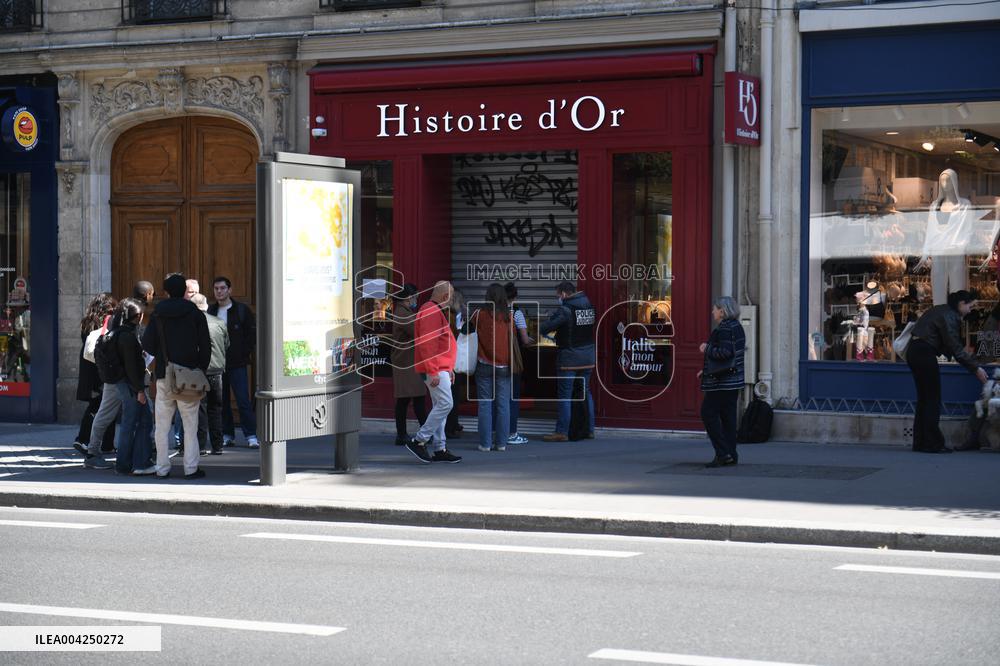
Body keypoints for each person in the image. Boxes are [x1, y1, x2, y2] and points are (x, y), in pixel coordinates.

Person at [142, 273, 212, 479]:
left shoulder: (157, 314)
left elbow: (148, 345)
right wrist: (200, 369)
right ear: (184, 291)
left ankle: (162, 468)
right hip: (189, 376)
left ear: (165, 292)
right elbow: (206, 346)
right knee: (190, 426)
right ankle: (191, 468)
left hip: (164, 374)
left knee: (162, 426)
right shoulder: (195, 314)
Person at [906, 290, 987, 453]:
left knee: (924, 398)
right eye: (970, 306)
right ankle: (932, 443)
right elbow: (955, 347)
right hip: (924, 353)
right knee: (932, 398)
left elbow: (949, 345)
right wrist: (976, 368)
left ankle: (921, 442)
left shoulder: (941, 309)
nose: (970, 310)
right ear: (961, 304)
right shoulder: (950, 316)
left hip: (915, 351)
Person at [406, 280, 462, 464]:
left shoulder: (431, 310)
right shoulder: (432, 311)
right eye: (451, 296)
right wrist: (435, 370)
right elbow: (427, 345)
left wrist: (448, 368)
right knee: (446, 404)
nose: (452, 299)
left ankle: (440, 448)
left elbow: (436, 345)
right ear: (446, 296)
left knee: (441, 406)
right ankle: (420, 440)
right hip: (435, 368)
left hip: (439, 367)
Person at [539, 281, 596, 442]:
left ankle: (562, 431)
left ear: (564, 293)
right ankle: (590, 429)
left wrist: (547, 321)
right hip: (588, 356)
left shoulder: (565, 309)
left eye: (558, 295)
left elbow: (545, 328)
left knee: (565, 395)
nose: (558, 298)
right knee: (585, 392)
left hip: (570, 358)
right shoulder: (588, 306)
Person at [208, 276, 258, 448]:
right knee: (222, 402)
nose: (219, 291)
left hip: (237, 364)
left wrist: (243, 353)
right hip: (217, 364)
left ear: (230, 290)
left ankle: (251, 435)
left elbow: (251, 335)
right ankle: (227, 434)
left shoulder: (241, 310)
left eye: (222, 288)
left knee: (243, 400)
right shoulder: (211, 311)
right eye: (216, 288)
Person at [698, 297, 746, 467]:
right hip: (734, 381)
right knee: (728, 419)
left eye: (715, 309)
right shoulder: (737, 327)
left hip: (721, 383)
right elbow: (732, 357)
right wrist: (706, 370)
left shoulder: (725, 328)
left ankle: (723, 452)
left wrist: (707, 348)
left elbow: (725, 353)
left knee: (708, 413)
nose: (713, 312)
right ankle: (731, 454)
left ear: (722, 311)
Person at [110, 298, 156, 476]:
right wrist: (140, 391)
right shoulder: (128, 337)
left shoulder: (118, 332)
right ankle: (138, 462)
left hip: (125, 384)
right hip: (132, 386)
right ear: (138, 316)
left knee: (131, 422)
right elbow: (131, 366)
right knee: (140, 422)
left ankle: (127, 463)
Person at [914, 169, 973, 305]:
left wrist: (960, 246)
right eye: (942, 180)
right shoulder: (934, 206)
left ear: (954, 182)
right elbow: (930, 231)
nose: (945, 183)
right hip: (938, 252)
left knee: (957, 290)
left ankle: (956, 319)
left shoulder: (964, 205)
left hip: (955, 252)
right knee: (938, 288)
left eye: (948, 180)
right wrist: (925, 253)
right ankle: (939, 319)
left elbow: (968, 230)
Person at [73, 293, 118, 460]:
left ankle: (107, 444)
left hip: (89, 367)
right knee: (100, 405)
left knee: (105, 405)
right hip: (101, 368)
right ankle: (83, 439)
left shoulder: (88, 322)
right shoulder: (105, 323)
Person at [471, 283, 513, 452]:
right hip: (504, 365)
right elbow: (513, 340)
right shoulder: (508, 316)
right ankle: (502, 443)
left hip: (484, 363)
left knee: (485, 405)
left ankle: (485, 443)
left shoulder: (480, 314)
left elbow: (468, 330)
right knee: (503, 405)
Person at [390, 283, 427, 446]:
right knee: (414, 397)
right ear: (407, 298)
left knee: (407, 398)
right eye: (414, 297)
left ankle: (407, 433)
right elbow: (418, 332)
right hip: (406, 361)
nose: (416, 300)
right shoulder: (403, 314)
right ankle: (421, 432)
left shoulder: (404, 311)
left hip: (407, 360)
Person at [192, 293, 229, 455]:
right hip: (216, 370)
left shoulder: (190, 324)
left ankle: (200, 446)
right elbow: (227, 344)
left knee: (199, 409)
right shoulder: (219, 323)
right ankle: (218, 445)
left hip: (198, 370)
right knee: (216, 408)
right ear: (206, 306)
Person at [505, 282, 533, 445]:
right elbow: (524, 339)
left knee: (497, 398)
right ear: (515, 297)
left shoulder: (492, 312)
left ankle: (497, 431)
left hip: (492, 360)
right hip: (512, 360)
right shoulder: (516, 313)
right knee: (512, 397)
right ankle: (512, 433)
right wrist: (530, 340)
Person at [445, 288, 468, 439]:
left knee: (450, 394)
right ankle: (451, 426)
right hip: (455, 358)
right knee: (453, 394)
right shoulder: (457, 315)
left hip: (449, 357)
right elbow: (460, 333)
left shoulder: (447, 314)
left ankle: (452, 425)